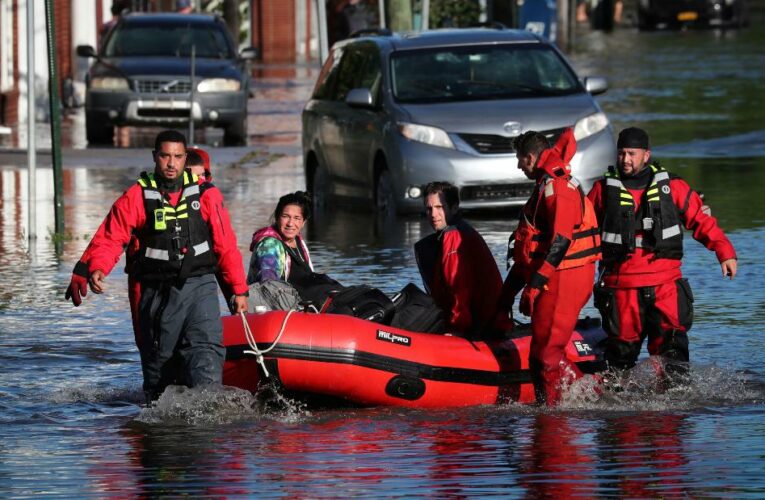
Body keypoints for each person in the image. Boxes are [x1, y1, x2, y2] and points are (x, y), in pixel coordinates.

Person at [65, 130, 248, 402]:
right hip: (157, 293)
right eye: (165, 156)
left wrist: (238, 290)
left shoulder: (207, 195)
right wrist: (98, 267)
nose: (171, 163)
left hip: (200, 287)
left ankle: (209, 419)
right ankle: (162, 429)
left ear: (186, 159)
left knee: (206, 353)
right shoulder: (137, 196)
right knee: (160, 368)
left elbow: (226, 245)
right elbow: (111, 236)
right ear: (155, 157)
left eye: (177, 157)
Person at [588, 127, 737, 380]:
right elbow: (580, 231)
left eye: (632, 154)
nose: (625, 159)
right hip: (622, 287)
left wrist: (725, 252)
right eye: (622, 153)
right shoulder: (602, 191)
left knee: (674, 355)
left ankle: (676, 410)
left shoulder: (674, 186)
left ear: (646, 155)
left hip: (665, 285)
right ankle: (617, 410)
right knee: (619, 360)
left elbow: (701, 221)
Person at [498, 129, 601, 406]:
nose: (519, 166)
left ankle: (553, 416)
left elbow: (561, 241)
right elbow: (532, 248)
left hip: (565, 275)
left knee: (545, 355)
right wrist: (507, 294)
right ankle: (588, 396)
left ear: (530, 157)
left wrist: (534, 285)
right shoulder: (545, 185)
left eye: (520, 160)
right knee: (544, 352)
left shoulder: (557, 188)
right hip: (556, 274)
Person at [413, 181, 504, 338]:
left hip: (483, 327)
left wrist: (457, 329)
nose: (433, 214)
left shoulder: (454, 236)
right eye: (429, 209)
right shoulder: (458, 232)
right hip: (482, 321)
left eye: (439, 207)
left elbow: (459, 288)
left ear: (454, 208)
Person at [247, 191, 315, 285]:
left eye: (297, 218)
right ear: (277, 217)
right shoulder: (269, 246)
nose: (290, 224)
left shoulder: (298, 240)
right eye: (285, 216)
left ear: (303, 222)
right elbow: (269, 285)